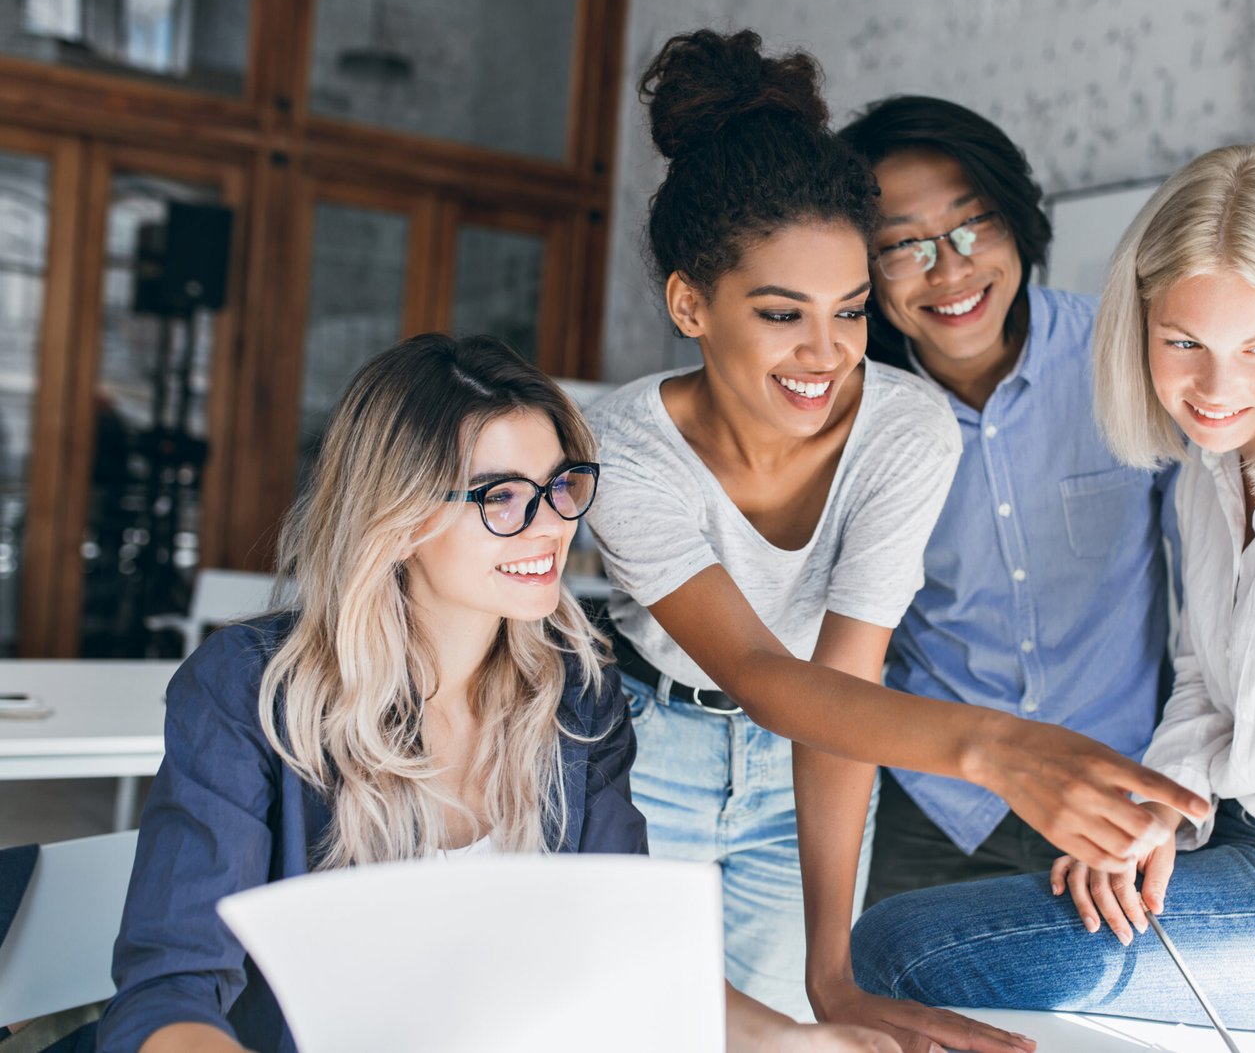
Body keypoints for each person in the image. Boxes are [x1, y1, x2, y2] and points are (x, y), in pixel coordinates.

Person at [585, 29, 1205, 1053]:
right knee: (634, 1020)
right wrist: (993, 746)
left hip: (832, 758)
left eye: (846, 310)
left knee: (789, 1032)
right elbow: (756, 671)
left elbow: (839, 689)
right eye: (782, 313)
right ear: (689, 302)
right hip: (654, 748)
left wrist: (832, 971)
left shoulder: (906, 427)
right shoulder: (623, 448)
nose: (824, 351)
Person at [850, 144, 1255, 1034]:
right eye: (1183, 344)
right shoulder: (1210, 464)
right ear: (1140, 326)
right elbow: (1205, 679)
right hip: (1246, 842)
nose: (1216, 387)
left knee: (904, 946)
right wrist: (1152, 815)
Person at [96, 334, 899, 1053]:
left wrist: (794, 1039)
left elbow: (632, 957)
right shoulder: (250, 689)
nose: (551, 526)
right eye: (502, 498)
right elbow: (171, 991)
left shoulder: (578, 696)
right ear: (400, 516)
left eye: (560, 487)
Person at [835, 97, 1178, 910]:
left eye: (972, 225)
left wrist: (1174, 784)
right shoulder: (852, 416)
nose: (949, 270)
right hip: (937, 806)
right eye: (902, 246)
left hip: (1125, 796)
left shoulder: (1129, 363)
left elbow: (1215, 594)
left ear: (1019, 224)